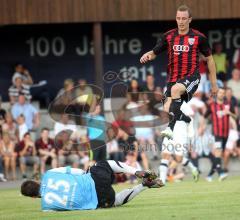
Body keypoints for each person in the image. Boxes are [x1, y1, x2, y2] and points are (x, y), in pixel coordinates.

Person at [140, 4, 217, 184]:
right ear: (176, 19)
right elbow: (155, 51)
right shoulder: (169, 36)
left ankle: (170, 128)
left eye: (184, 18)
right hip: (173, 81)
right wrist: (148, 55)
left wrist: (213, 85)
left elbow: (210, 60)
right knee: (166, 108)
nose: (181, 21)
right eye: (178, 18)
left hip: (192, 78)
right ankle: (182, 118)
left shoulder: (198, 38)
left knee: (175, 91)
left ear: (189, 19)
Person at [20, 160, 163, 211]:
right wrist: (87, 172)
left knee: (114, 201)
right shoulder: (49, 174)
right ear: (37, 181)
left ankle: (143, 185)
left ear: (33, 197)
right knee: (106, 164)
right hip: (94, 179)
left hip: (99, 200)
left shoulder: (47, 208)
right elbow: (71, 171)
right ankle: (135, 171)